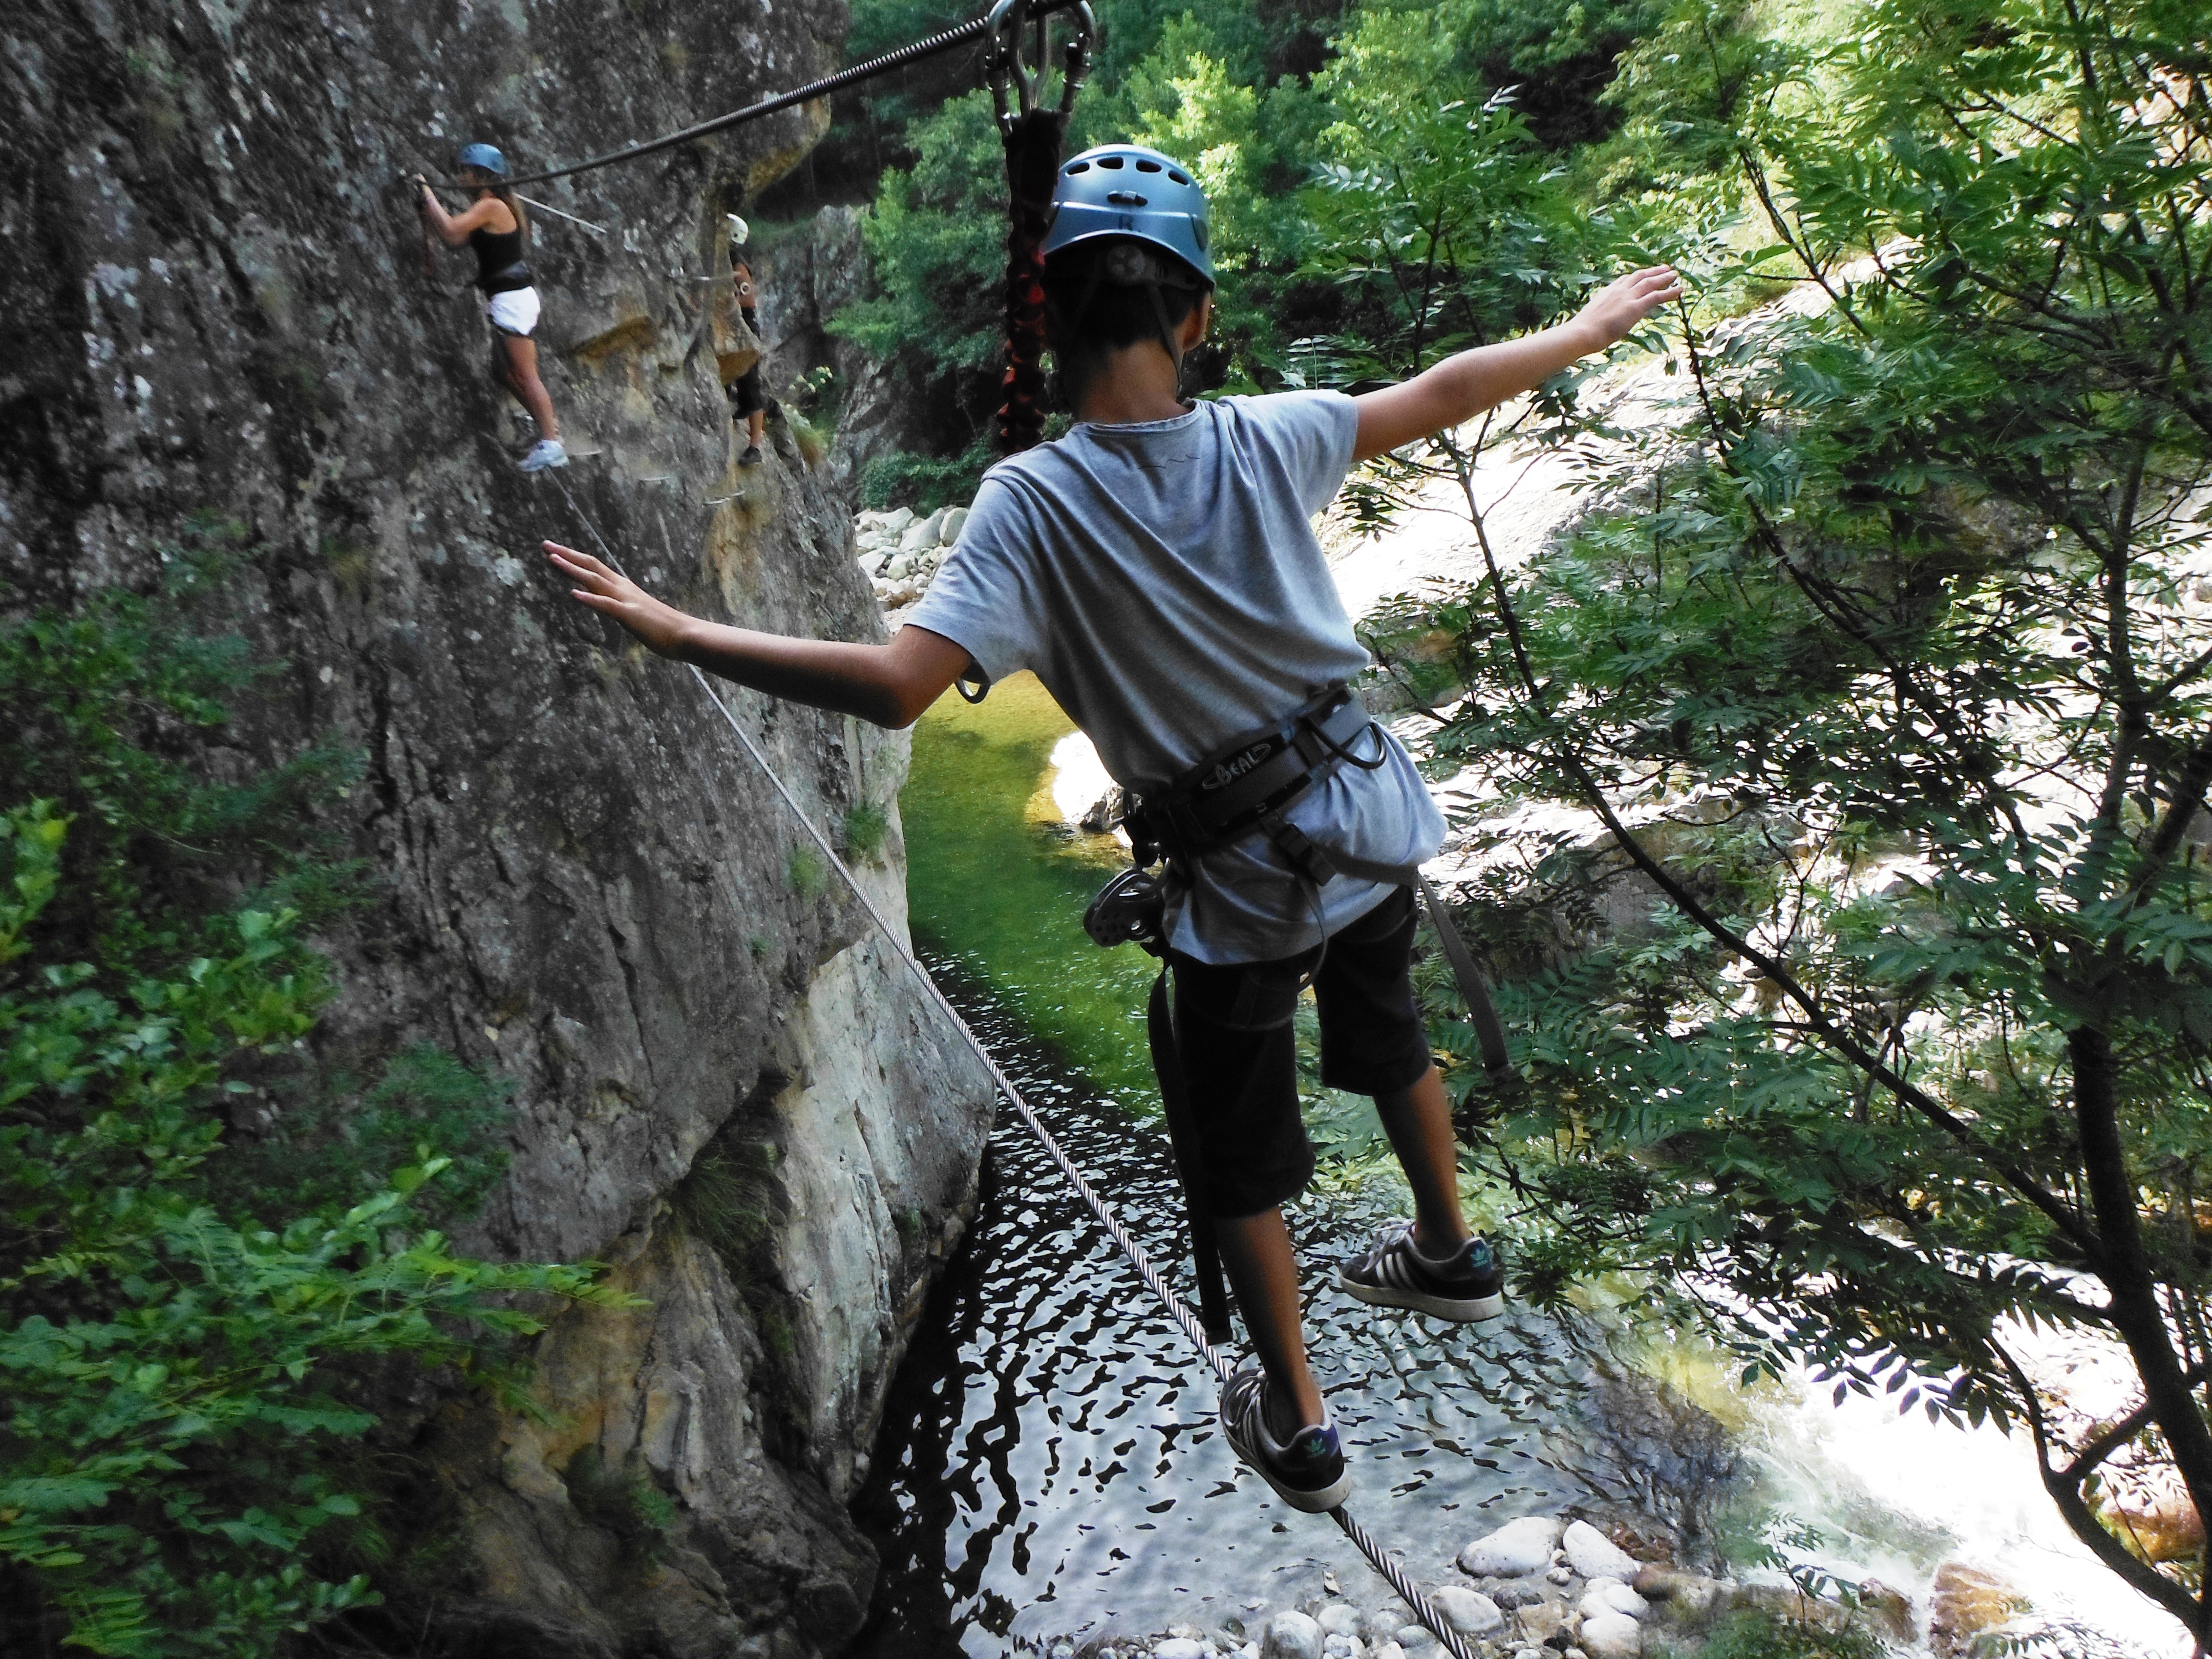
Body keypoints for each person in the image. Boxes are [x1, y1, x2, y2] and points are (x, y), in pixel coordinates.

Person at [546, 143, 1679, 1513]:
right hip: (1369, 819)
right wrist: (1585, 329)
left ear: (1048, 317)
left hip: (1243, 882)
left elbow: (900, 686)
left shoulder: (1032, 503)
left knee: (1235, 1154)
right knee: (1388, 1030)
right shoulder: (1265, 435)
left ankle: (1301, 1422)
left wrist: (684, 632)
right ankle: (1450, 1248)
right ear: (1194, 319)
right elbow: (1441, 393)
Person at [416, 143, 567, 473]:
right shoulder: (486, 209)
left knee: (526, 374)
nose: (460, 177)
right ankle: (547, 428)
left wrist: (427, 191)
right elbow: (454, 241)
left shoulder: (492, 206)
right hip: (508, 298)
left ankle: (552, 442)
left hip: (513, 300)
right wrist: (429, 210)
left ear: (481, 175)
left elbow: (451, 228)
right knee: (503, 372)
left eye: (465, 171)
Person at [725, 214, 767, 467]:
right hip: (737, 321)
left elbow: (748, 299)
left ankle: (755, 447)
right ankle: (741, 404)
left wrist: (729, 302)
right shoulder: (729, 259)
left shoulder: (736, 263)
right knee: (743, 380)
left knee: (751, 382)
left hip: (745, 323)